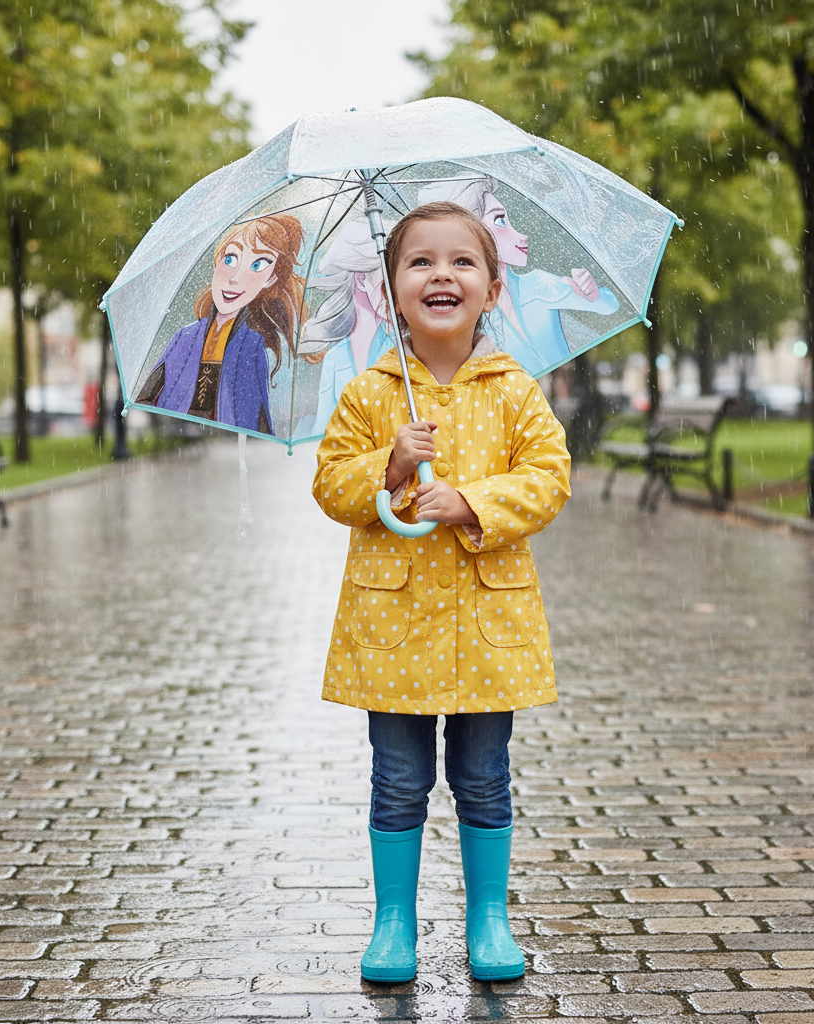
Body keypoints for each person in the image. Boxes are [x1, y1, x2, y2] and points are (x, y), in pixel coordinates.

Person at [312, 201, 571, 984]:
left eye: (462, 262)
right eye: (420, 262)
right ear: (392, 292)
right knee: (398, 780)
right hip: (393, 625)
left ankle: (488, 917)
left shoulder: (515, 390)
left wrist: (473, 504)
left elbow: (549, 477)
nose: (441, 275)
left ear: (492, 289)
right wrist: (388, 467)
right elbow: (330, 483)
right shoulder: (371, 393)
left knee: (483, 775)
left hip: (489, 623)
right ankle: (394, 923)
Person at [418, 176, 619, 376]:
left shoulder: (538, 285)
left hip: (547, 399)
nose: (522, 235)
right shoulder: (467, 319)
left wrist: (592, 295)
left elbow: (609, 306)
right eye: (500, 221)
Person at [135, 215, 306, 434]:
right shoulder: (184, 337)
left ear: (270, 279)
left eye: (258, 264)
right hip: (181, 441)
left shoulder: (253, 347)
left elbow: (259, 420)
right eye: (230, 259)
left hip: (227, 446)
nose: (235, 277)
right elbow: (146, 396)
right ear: (218, 261)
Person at [302, 219, 395, 435]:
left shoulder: (403, 350)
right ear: (362, 278)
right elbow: (322, 432)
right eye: (387, 278)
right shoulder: (336, 359)